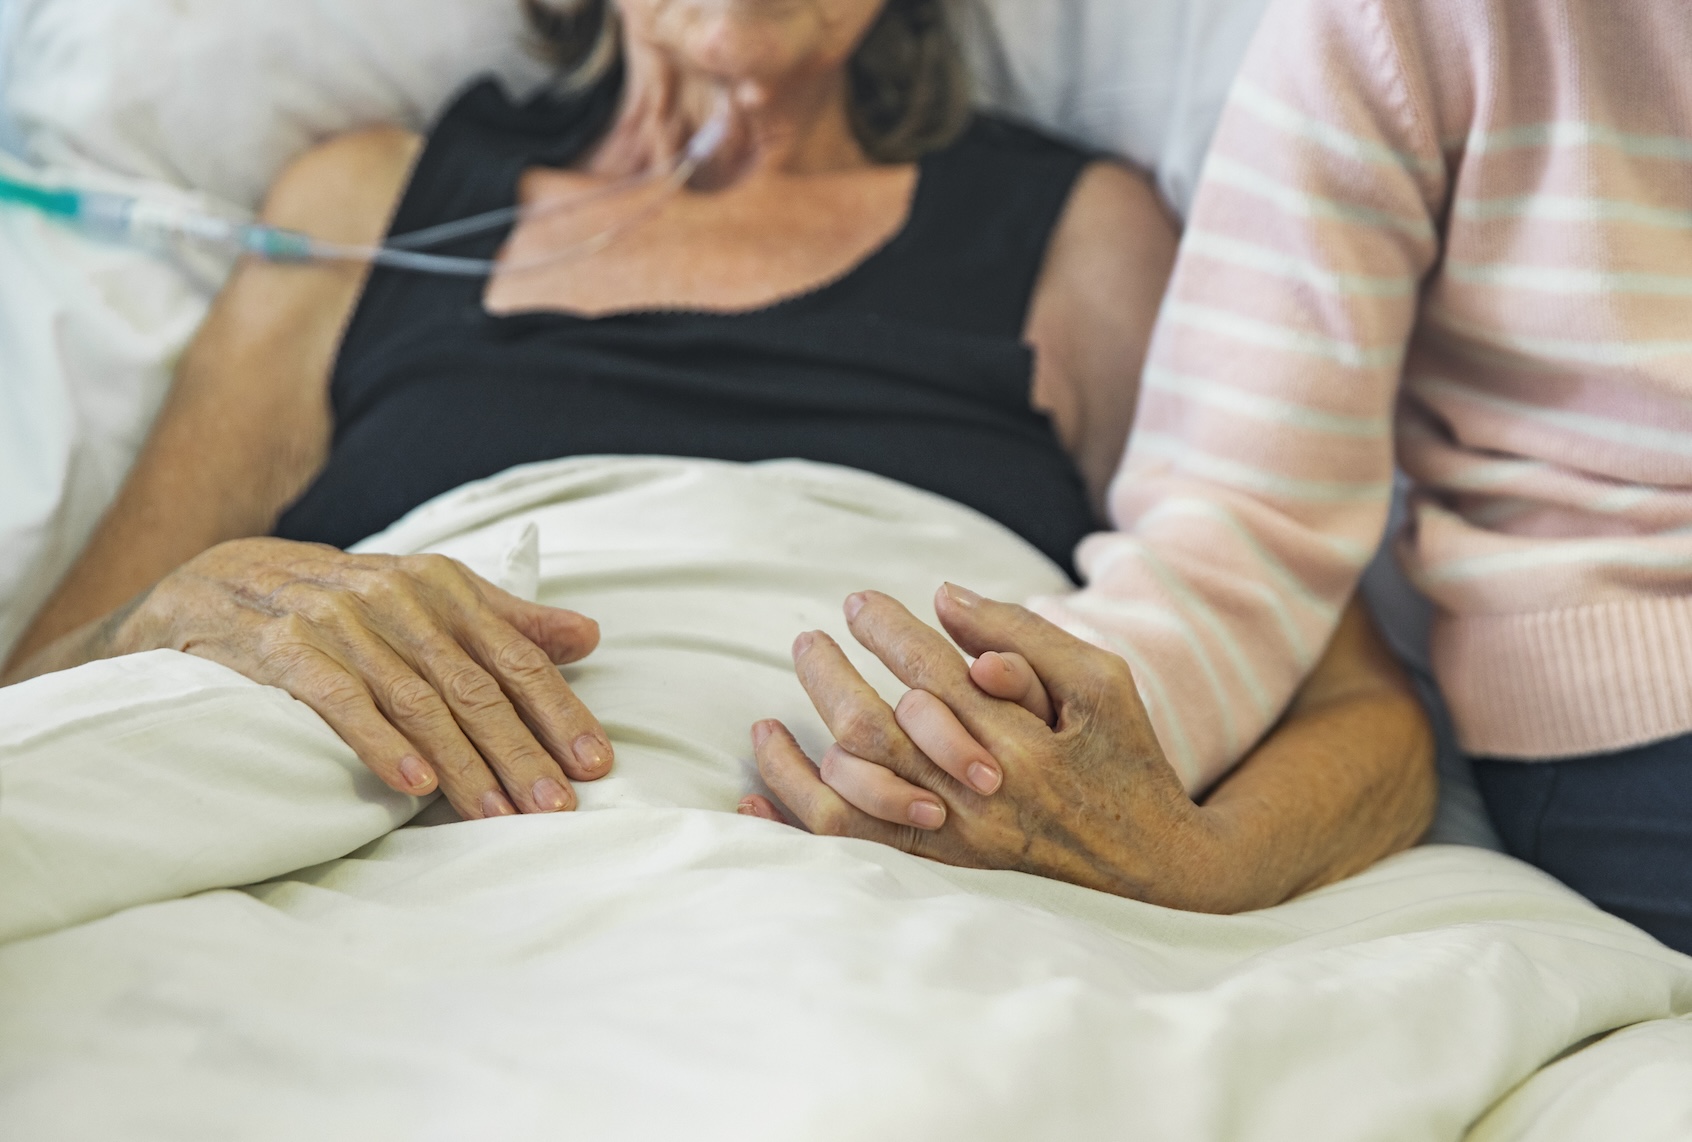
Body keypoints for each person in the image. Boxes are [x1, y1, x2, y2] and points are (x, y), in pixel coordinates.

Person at [0, 0, 1434, 911]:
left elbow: (1363, 715)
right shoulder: (364, 204)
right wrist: (219, 607)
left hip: (894, 889)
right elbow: (52, 673)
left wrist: (1186, 863)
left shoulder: (1076, 231)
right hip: (404, 860)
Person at [758, 0, 1692, 951]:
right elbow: (1240, 522)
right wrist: (1020, 730)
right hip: (1649, 673)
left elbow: (1331, 663)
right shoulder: (1410, 27)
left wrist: (1166, 831)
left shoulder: (1066, 224)